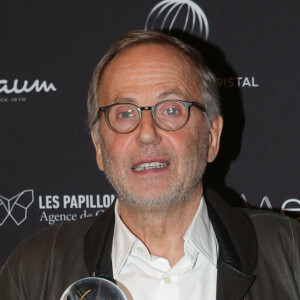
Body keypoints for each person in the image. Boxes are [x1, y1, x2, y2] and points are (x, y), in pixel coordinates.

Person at [0, 30, 299, 300]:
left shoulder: (290, 256)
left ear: (211, 137)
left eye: (171, 110)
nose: (146, 133)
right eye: (124, 113)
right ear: (99, 146)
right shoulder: (33, 273)